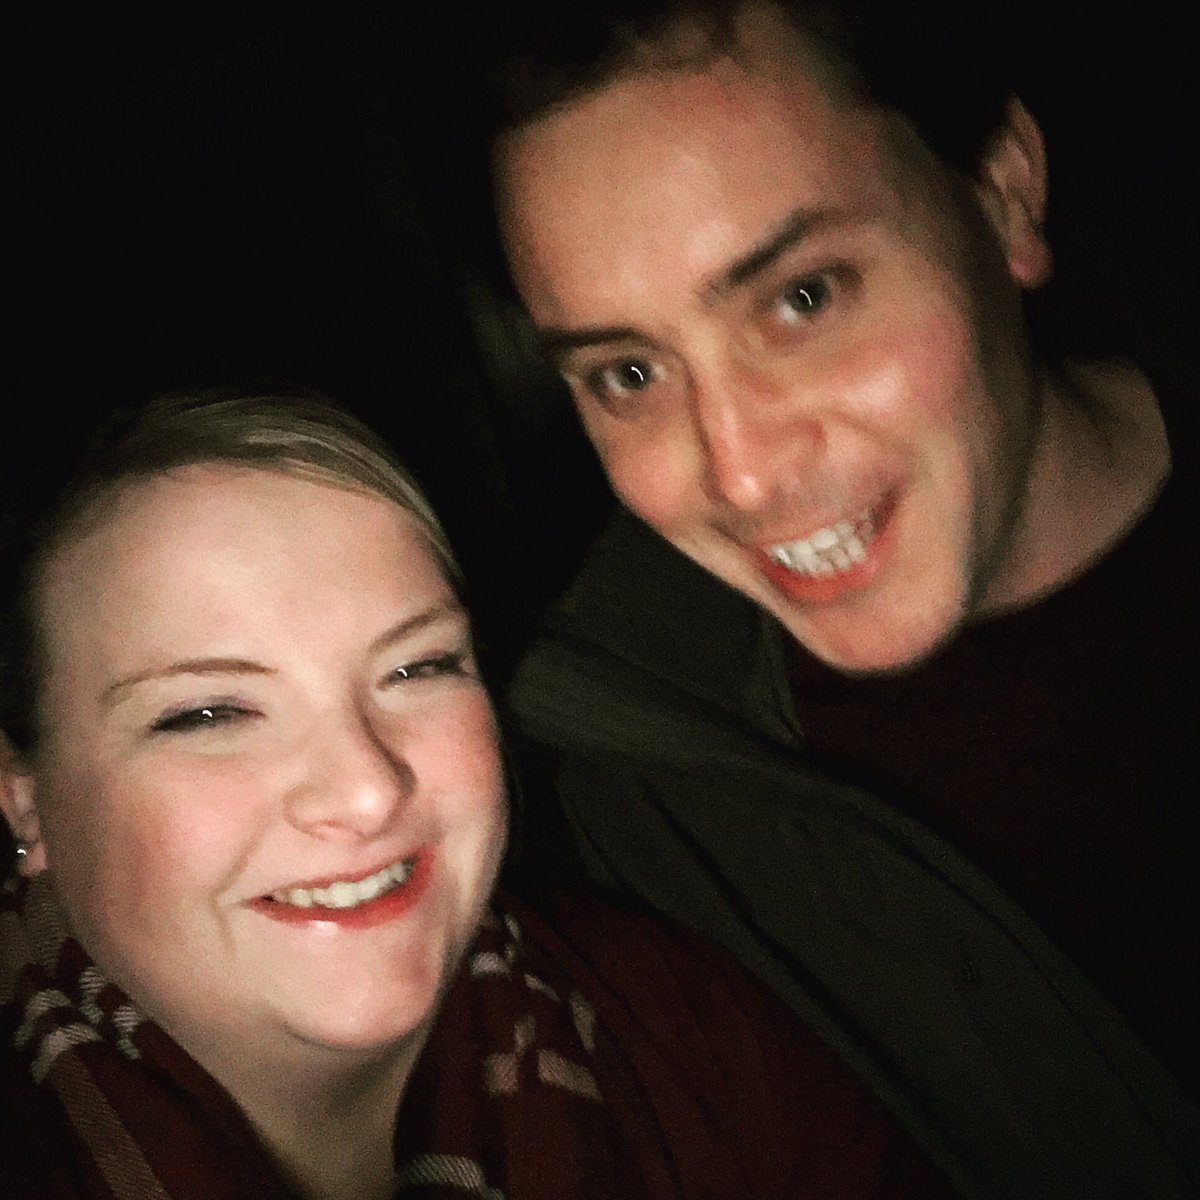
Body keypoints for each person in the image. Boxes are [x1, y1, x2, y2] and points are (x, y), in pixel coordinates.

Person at [470, 0, 1200, 1195]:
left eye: (802, 299)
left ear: (1003, 194)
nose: (741, 473)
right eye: (630, 373)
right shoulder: (639, 813)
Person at [0, 391, 958, 1199]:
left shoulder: (688, 1026)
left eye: (417, 667)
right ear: (24, 800)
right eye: (209, 714)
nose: (367, 789)